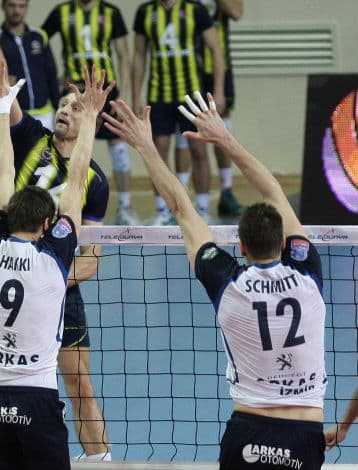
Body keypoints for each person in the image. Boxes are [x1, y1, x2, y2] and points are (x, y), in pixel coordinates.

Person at [103, 93, 327, 470]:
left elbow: (182, 208)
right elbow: (273, 191)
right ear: (283, 242)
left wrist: (145, 146)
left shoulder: (228, 284)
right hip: (304, 434)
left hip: (248, 432)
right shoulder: (308, 273)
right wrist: (225, 139)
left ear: (241, 246)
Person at [0, 0, 113, 460]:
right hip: (14, 266)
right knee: (17, 377)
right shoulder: (30, 137)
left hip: (57, 287)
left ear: (87, 119)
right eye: (62, 104)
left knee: (80, 384)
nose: (65, 110)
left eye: (75, 107)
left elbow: (91, 259)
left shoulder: (95, 182)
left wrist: (50, 279)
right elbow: (0, 84)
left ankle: (101, 460)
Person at [42, 0, 140, 225]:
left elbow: (123, 54)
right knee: (64, 145)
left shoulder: (111, 12)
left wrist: (123, 94)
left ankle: (125, 208)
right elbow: (40, 42)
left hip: (105, 92)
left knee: (118, 147)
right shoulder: (62, 11)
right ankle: (58, 204)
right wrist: (54, 76)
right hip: (74, 92)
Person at [132, 0, 225, 225]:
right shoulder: (145, 12)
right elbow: (139, 55)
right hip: (159, 95)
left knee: (199, 150)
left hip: (191, 95)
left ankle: (202, 209)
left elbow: (215, 49)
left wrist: (219, 90)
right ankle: (163, 211)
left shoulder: (195, 9)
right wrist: (135, 95)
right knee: (158, 151)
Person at [173, 0, 244, 218]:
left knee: (220, 124)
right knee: (185, 129)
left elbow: (236, 12)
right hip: (186, 67)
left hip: (216, 66)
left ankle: (226, 190)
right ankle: (181, 198)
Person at [0, 0, 60, 130]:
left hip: (45, 114)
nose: (17, 11)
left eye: (22, 6)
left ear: (26, 7)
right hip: (16, 116)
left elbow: (51, 75)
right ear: (3, 6)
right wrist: (1, 81)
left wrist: (59, 108)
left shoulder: (39, 36)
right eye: (12, 5)